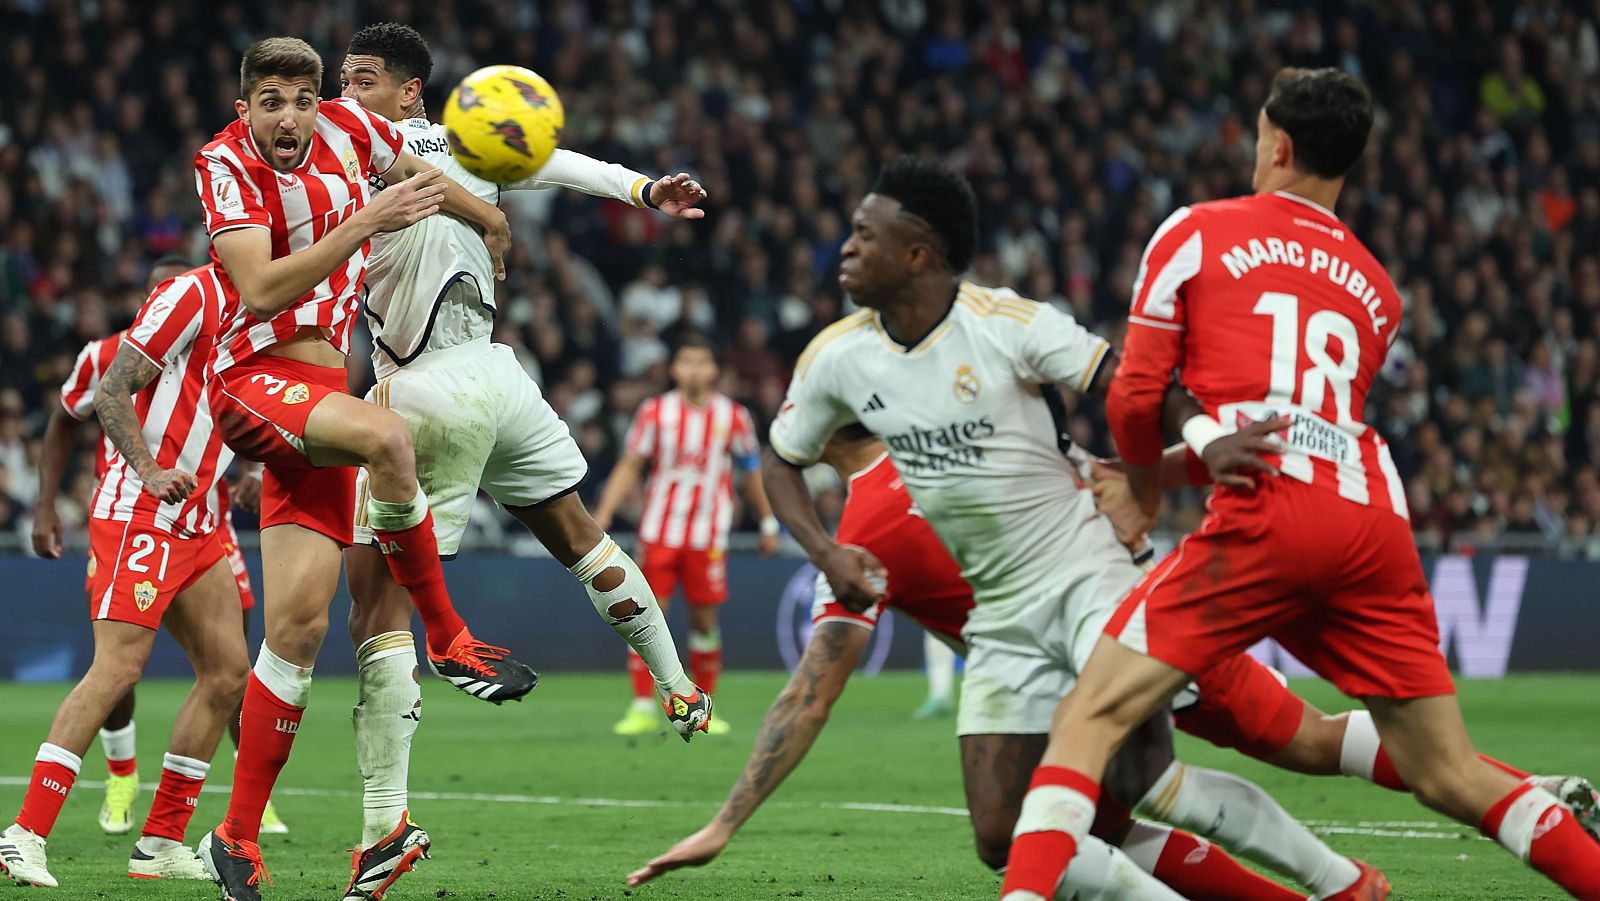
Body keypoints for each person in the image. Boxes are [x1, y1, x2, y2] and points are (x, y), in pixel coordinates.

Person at [1000, 68, 1600, 901]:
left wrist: (1143, 487)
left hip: (1266, 519)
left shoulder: (1195, 232)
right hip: (1370, 519)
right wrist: (1179, 466)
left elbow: (1137, 395)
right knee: (1452, 772)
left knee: (1089, 717)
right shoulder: (1378, 291)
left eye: (1255, 137)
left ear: (1277, 146)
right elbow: (1295, 423)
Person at [755, 157, 1381, 899]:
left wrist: (726, 821)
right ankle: (1395, 851)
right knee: (1141, 799)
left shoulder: (873, 518)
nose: (847, 248)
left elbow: (811, 688)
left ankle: (1429, 828)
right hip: (1077, 634)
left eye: (864, 233)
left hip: (1109, 617)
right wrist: (1193, 448)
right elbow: (1115, 409)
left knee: (1251, 757)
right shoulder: (944, 437)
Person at [630, 426, 1599, 896]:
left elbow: (810, 693)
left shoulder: (866, 532)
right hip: (1158, 608)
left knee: (1071, 817)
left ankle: (1349, 884)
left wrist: (726, 819)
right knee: (1299, 743)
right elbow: (1116, 477)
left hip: (1103, 656)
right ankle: (1510, 799)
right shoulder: (999, 438)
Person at [333, 22, 714, 898]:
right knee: (580, 533)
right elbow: (561, 161)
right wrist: (647, 188)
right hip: (503, 377)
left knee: (373, 607)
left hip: (426, 389)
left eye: (362, 78)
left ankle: (383, 824)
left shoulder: (365, 142)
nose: (346, 94)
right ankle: (678, 684)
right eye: (344, 81)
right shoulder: (473, 145)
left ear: (409, 91)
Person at [188, 37, 529, 900]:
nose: (290, 117)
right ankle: (449, 636)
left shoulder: (349, 128)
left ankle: (234, 837)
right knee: (389, 438)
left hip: (317, 398)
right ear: (245, 111)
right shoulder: (222, 164)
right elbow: (260, 290)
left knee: (295, 634)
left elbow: (422, 183)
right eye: (271, 101)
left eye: (302, 99)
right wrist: (366, 222)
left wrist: (484, 216)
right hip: (254, 381)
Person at [0, 265, 251, 886]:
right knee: (118, 667)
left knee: (227, 674)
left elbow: (232, 411)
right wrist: (138, 474)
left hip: (200, 518)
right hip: (141, 508)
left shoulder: (262, 317)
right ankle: (23, 834)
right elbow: (83, 408)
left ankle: (161, 842)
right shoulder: (146, 329)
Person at [594, 331, 781, 736]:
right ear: (675, 368)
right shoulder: (655, 412)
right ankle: (643, 705)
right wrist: (605, 510)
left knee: (704, 621)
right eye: (686, 361)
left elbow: (751, 473)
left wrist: (768, 521)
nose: (694, 370)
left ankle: (703, 707)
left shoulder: (734, 416)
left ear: (715, 369)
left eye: (702, 362)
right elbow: (631, 464)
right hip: (660, 530)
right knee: (644, 614)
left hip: (708, 535)